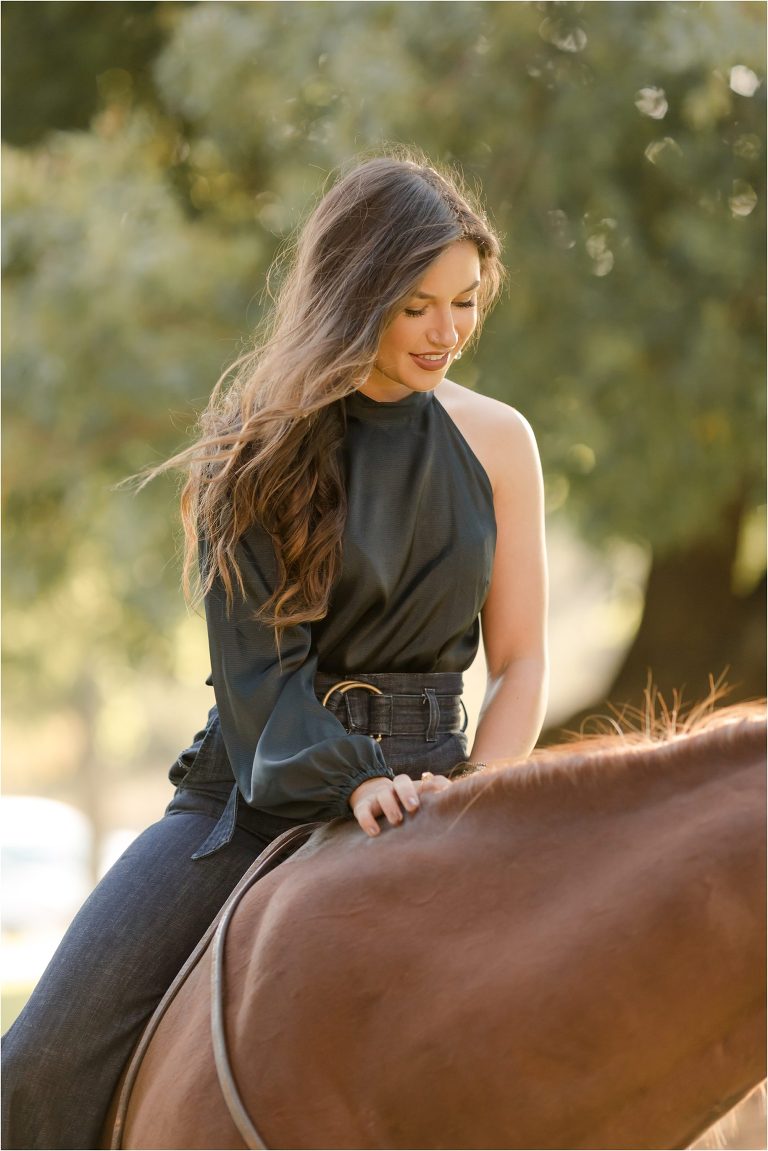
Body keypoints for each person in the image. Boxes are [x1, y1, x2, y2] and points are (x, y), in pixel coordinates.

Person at [1, 151, 548, 1149]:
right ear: (356, 294)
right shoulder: (254, 444)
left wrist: (478, 800)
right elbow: (259, 681)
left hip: (452, 785)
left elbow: (522, 660)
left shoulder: (500, 440)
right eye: (418, 304)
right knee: (31, 1067)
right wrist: (354, 780)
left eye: (466, 301)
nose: (448, 332)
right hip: (253, 792)